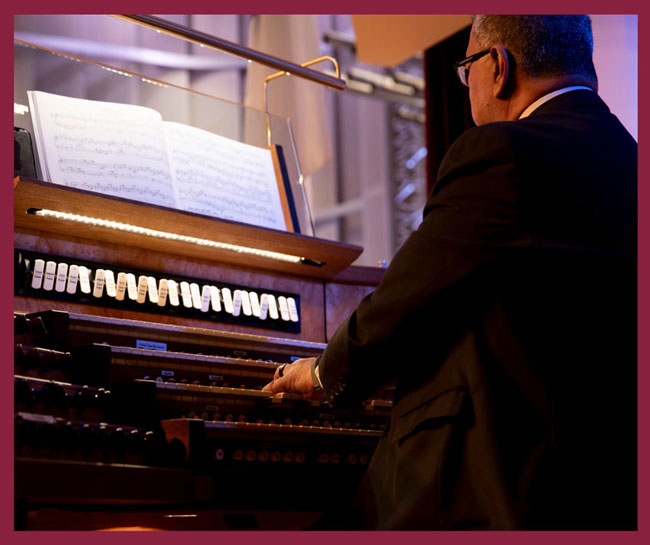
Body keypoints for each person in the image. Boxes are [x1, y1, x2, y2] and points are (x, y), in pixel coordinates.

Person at [263, 15, 637, 530]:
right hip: (607, 490)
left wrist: (324, 373)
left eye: (467, 70)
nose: (468, 87)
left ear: (498, 67)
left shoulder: (504, 151)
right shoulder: (631, 163)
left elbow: (407, 299)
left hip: (489, 482)